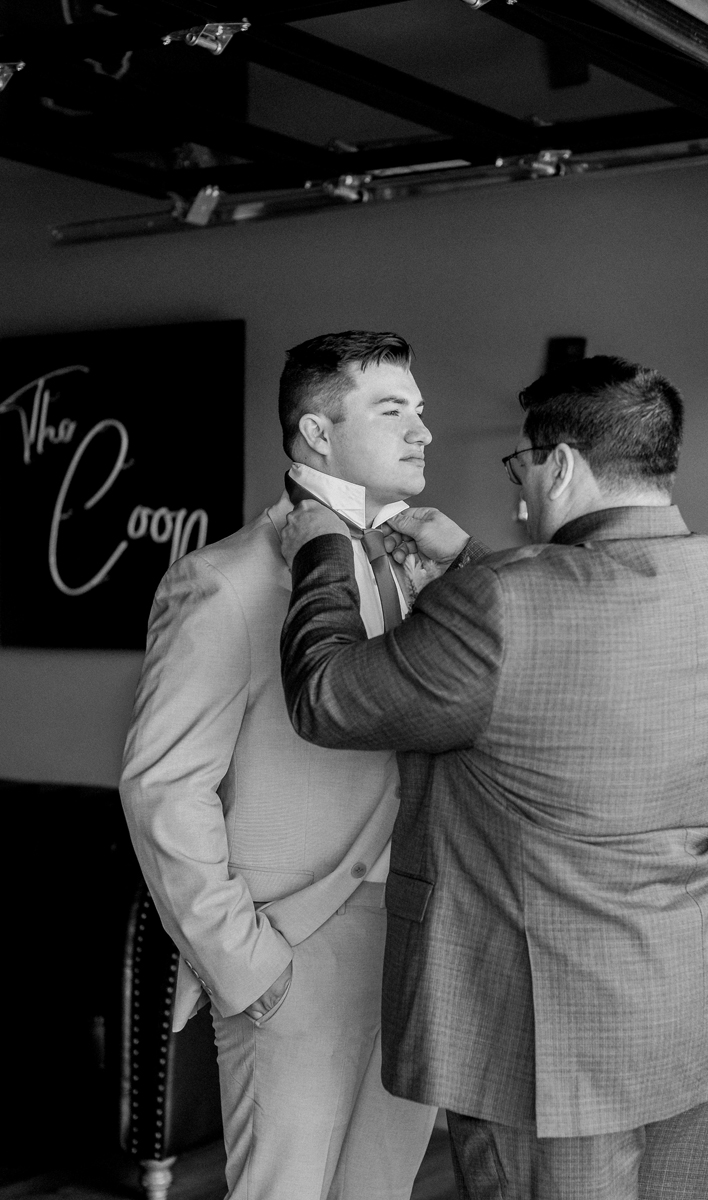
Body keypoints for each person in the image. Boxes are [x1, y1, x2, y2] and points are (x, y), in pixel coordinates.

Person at [279, 354, 708, 1200]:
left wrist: (319, 545)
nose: (522, 493)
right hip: (698, 1009)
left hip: (556, 1042)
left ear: (564, 464)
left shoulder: (507, 600)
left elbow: (327, 697)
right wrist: (469, 559)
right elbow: (571, 658)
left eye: (525, 467)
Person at [120, 330, 476, 1200]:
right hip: (296, 949)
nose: (423, 431)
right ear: (318, 434)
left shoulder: (434, 575)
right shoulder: (228, 582)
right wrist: (245, 964)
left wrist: (462, 577)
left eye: (420, 411)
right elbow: (162, 784)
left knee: (381, 1191)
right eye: (393, 411)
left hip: (424, 937)